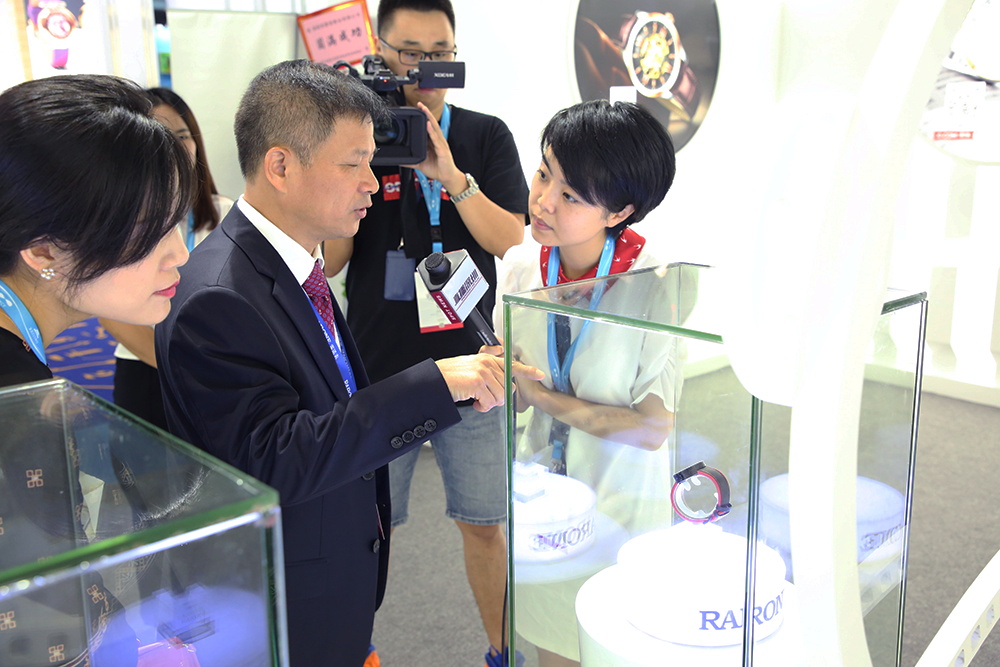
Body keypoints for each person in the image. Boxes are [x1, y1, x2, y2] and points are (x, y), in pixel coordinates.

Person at [154, 59, 541, 667]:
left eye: (372, 160)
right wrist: (436, 384)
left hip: (326, 580)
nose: (373, 183)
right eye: (353, 163)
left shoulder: (290, 264)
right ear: (281, 166)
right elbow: (274, 458)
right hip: (280, 606)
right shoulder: (219, 296)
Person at [323, 2, 528, 662]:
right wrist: (349, 163)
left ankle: (500, 651)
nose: (425, 67)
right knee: (367, 531)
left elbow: (511, 238)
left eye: (440, 52)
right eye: (409, 52)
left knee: (484, 524)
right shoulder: (359, 138)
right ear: (379, 49)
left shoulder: (485, 135)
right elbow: (331, 262)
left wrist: (453, 178)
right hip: (380, 372)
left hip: (476, 368)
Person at [0, 74, 194, 667]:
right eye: (151, 230)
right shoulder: (18, 403)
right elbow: (46, 632)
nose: (180, 252)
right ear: (43, 251)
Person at [494, 100, 679, 666]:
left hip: (621, 508)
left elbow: (650, 430)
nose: (544, 201)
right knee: (552, 644)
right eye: (543, 174)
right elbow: (516, 389)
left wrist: (541, 396)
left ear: (619, 211)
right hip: (544, 502)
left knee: (613, 644)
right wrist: (499, 376)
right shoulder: (521, 268)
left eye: (572, 195)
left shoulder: (655, 284)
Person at [100, 87, 234, 430]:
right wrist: (177, 365)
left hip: (214, 370)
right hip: (145, 365)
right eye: (159, 135)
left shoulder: (227, 214)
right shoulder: (119, 221)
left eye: (182, 135)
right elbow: (110, 313)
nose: (174, 146)